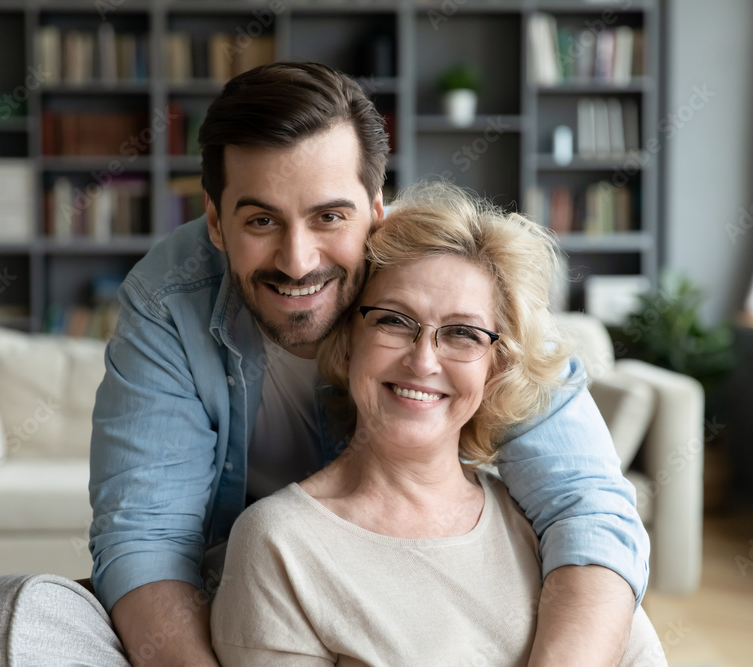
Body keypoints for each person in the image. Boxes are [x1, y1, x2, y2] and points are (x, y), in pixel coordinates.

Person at [88, 62, 649, 666]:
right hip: (263, 587)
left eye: (329, 216)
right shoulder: (167, 300)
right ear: (216, 221)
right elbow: (146, 539)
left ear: (376, 208)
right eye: (260, 221)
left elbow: (587, 505)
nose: (298, 261)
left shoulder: (441, 274)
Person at [210, 182, 666, 665]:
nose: (423, 361)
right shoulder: (278, 546)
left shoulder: (557, 537)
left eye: (463, 334)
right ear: (348, 342)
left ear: (496, 368)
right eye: (394, 321)